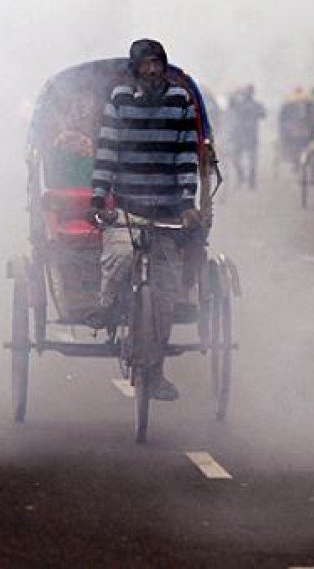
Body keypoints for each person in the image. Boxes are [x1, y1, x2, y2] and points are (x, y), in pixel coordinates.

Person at [89, 38, 203, 401]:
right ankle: (107, 308)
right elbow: (107, 149)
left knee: (165, 298)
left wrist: (188, 203)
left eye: (157, 64)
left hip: (168, 211)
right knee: (119, 256)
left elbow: (187, 155)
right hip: (128, 206)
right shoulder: (120, 99)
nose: (152, 70)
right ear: (135, 69)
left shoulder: (180, 101)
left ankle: (154, 373)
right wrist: (98, 196)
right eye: (145, 65)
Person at [226, 84, 266, 189]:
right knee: (238, 159)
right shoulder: (243, 104)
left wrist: (235, 93)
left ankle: (247, 178)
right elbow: (230, 103)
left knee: (246, 159)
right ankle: (244, 177)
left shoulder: (253, 105)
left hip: (247, 135)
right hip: (242, 135)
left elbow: (263, 114)